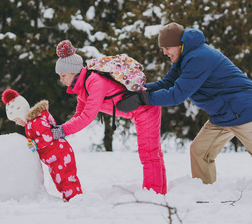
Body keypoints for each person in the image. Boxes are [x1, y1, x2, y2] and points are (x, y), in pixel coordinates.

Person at [116, 22, 252, 207]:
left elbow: (176, 94)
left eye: (166, 48)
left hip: (243, 109)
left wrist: (142, 99)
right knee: (200, 151)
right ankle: (206, 193)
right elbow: (167, 83)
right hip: (223, 112)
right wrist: (137, 89)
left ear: (179, 44)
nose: (164, 52)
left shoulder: (199, 57)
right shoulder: (183, 58)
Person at [50, 40, 167, 195]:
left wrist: (63, 130)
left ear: (74, 71)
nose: (61, 79)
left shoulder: (94, 82)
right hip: (139, 112)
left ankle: (154, 194)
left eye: (63, 75)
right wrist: (60, 129)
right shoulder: (82, 88)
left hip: (146, 109)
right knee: (152, 153)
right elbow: (78, 115)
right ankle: (160, 191)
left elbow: (87, 116)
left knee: (149, 153)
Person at [2, 89, 82, 201]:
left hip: (60, 154)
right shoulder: (30, 124)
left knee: (66, 177)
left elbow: (48, 136)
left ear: (20, 114)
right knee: (58, 179)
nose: (16, 123)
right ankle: (69, 197)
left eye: (16, 119)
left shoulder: (36, 122)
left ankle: (76, 198)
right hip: (53, 158)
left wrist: (35, 143)